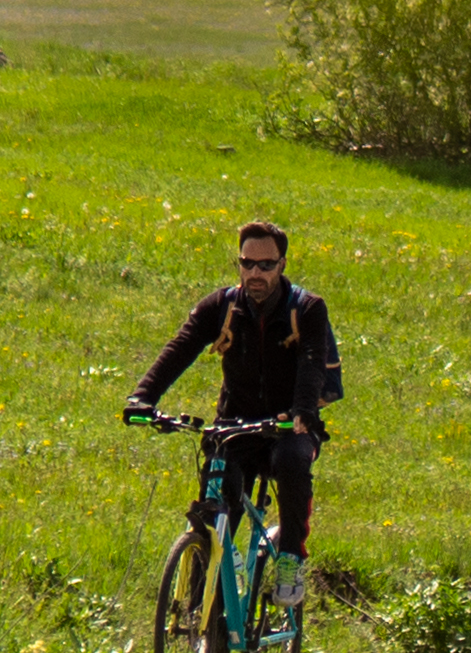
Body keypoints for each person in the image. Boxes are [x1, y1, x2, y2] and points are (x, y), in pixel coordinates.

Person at [124, 218, 343, 578]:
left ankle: (290, 557)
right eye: (247, 263)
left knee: (292, 461)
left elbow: (311, 363)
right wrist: (143, 398)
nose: (255, 272)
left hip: (288, 424)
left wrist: (304, 410)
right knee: (215, 500)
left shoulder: (306, 309)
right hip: (235, 425)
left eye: (266, 265)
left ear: (282, 265)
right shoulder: (222, 306)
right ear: (238, 262)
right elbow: (181, 347)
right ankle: (201, 601)